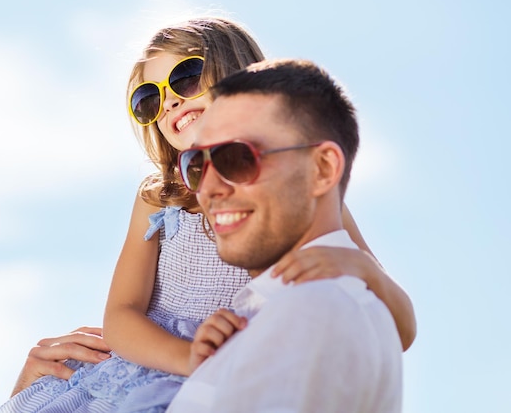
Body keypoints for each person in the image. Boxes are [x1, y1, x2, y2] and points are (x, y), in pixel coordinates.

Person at [0, 18, 414, 412]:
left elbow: (399, 327)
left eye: (185, 77)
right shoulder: (159, 199)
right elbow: (121, 315)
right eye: (149, 99)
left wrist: (365, 270)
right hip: (159, 366)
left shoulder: (300, 189)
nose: (171, 101)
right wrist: (190, 357)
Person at [168, 58, 404, 412]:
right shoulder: (266, 318)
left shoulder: (315, 308)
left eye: (237, 157)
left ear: (322, 169)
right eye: (197, 165)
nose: (208, 189)